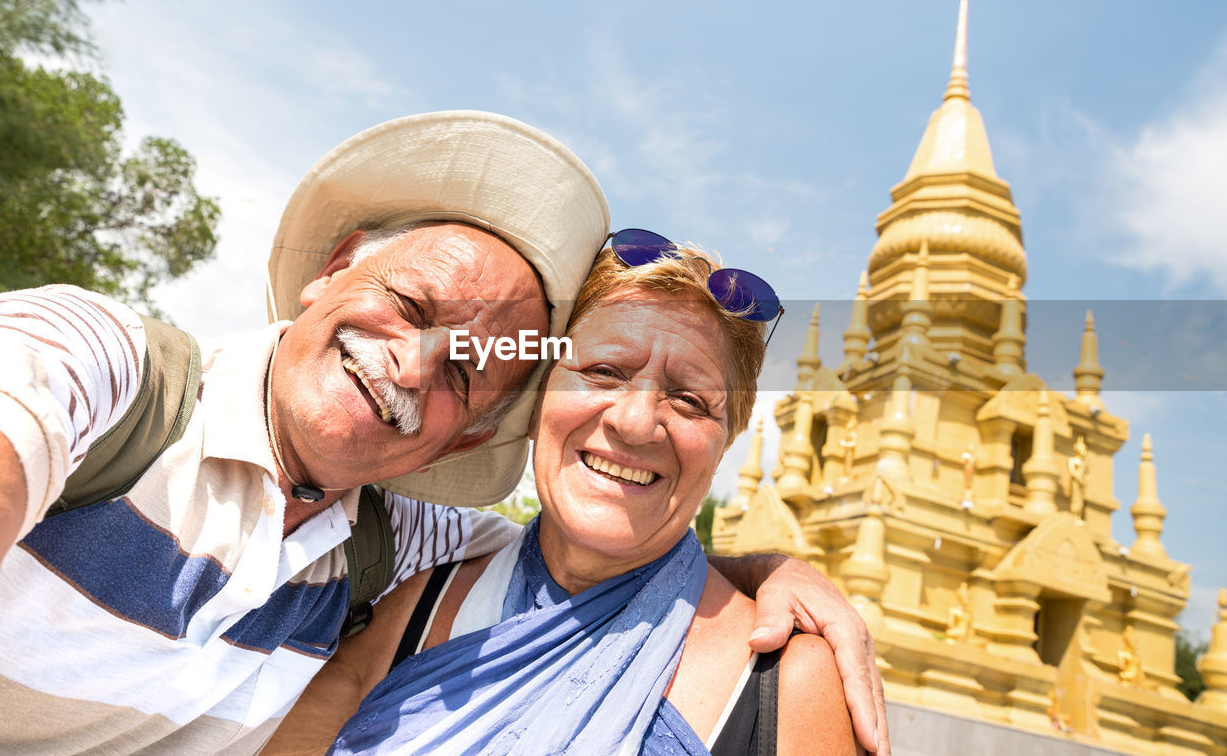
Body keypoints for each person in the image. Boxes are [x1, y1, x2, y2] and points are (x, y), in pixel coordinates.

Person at [0, 113, 888, 754]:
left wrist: (770, 569)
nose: (412, 366)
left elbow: (596, 559)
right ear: (329, 274)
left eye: (692, 402)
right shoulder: (105, 367)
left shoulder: (406, 549)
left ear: (466, 437)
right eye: (602, 373)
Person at [267, 236, 866, 755]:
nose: (634, 422)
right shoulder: (413, 597)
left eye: (690, 401)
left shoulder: (788, 683)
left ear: (725, 443)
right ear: (537, 403)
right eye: (603, 372)